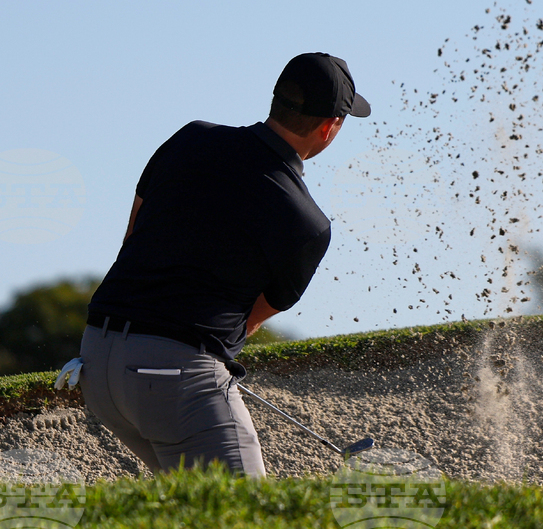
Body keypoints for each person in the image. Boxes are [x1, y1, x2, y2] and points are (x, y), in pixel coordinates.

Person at [71, 52, 370, 477]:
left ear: (276, 101)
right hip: (171, 378)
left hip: (95, 362)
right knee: (246, 518)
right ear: (329, 128)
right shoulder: (308, 225)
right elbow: (248, 322)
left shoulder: (189, 138)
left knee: (195, 511)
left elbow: (133, 241)